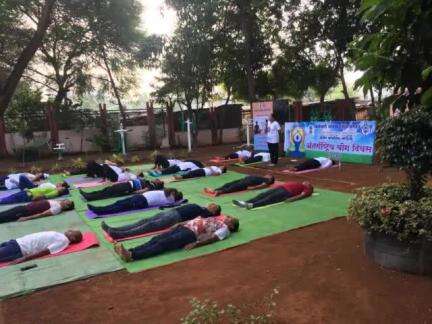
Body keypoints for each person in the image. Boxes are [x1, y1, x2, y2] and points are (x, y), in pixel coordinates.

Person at [113, 215, 239, 262]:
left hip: (191, 235)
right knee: (156, 239)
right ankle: (130, 251)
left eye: (230, 219)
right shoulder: (216, 219)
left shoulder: (225, 229)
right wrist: (181, 223)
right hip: (185, 227)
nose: (227, 218)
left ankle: (132, 256)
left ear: (232, 225)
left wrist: (196, 244)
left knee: (163, 243)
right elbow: (196, 220)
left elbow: (213, 238)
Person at [101, 203, 222, 239]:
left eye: (214, 206)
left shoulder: (206, 214)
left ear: (213, 211)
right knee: (143, 221)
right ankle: (115, 229)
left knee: (148, 225)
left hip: (175, 217)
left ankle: (118, 234)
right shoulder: (203, 208)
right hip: (171, 212)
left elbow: (203, 219)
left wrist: (213, 213)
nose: (211, 205)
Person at [0, 230, 83, 264]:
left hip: (19, 249)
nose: (69, 230)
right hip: (16, 242)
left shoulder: (63, 241)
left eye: (71, 231)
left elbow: (46, 251)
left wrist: (24, 258)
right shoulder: (60, 235)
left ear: (73, 238)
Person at [88, 188, 184, 216]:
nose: (173, 192)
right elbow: (171, 191)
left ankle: (99, 211)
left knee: (119, 207)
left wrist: (179, 199)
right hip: (140, 197)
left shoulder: (170, 199)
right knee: (118, 203)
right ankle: (99, 209)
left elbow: (176, 199)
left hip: (142, 201)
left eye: (175, 193)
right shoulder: (166, 193)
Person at [233, 181, 313, 209]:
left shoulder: (307, 189)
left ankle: (252, 205)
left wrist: (292, 199)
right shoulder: (300, 184)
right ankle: (245, 202)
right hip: (281, 188)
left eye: (308, 183)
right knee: (262, 194)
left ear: (309, 186)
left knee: (269, 198)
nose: (306, 182)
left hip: (286, 192)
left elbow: (303, 195)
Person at [80, 179, 164, 201]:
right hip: (126, 185)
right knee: (106, 189)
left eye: (158, 180)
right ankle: (88, 194)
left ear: (157, 184)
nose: (156, 179)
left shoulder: (151, 186)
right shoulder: (148, 181)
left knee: (107, 193)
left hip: (127, 188)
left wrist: (132, 192)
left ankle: (89, 197)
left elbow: (143, 191)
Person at [0, 199, 75, 224]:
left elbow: (42, 214)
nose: (65, 201)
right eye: (66, 200)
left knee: (3, 217)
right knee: (3, 214)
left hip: (25, 212)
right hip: (24, 208)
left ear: (66, 207)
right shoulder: (57, 202)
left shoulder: (57, 208)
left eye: (67, 203)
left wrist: (26, 218)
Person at [204, 174, 275, 196]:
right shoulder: (263, 177)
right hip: (243, 180)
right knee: (228, 184)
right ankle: (215, 190)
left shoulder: (267, 181)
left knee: (233, 187)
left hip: (246, 183)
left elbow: (263, 185)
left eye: (269, 175)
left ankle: (219, 192)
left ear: (270, 178)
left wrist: (253, 188)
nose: (267, 175)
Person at [0, 184, 70, 205]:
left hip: (28, 195)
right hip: (28, 192)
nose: (60, 187)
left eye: (62, 188)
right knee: (9, 198)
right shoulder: (54, 189)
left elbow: (43, 196)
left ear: (62, 191)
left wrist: (32, 198)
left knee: (8, 200)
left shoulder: (55, 192)